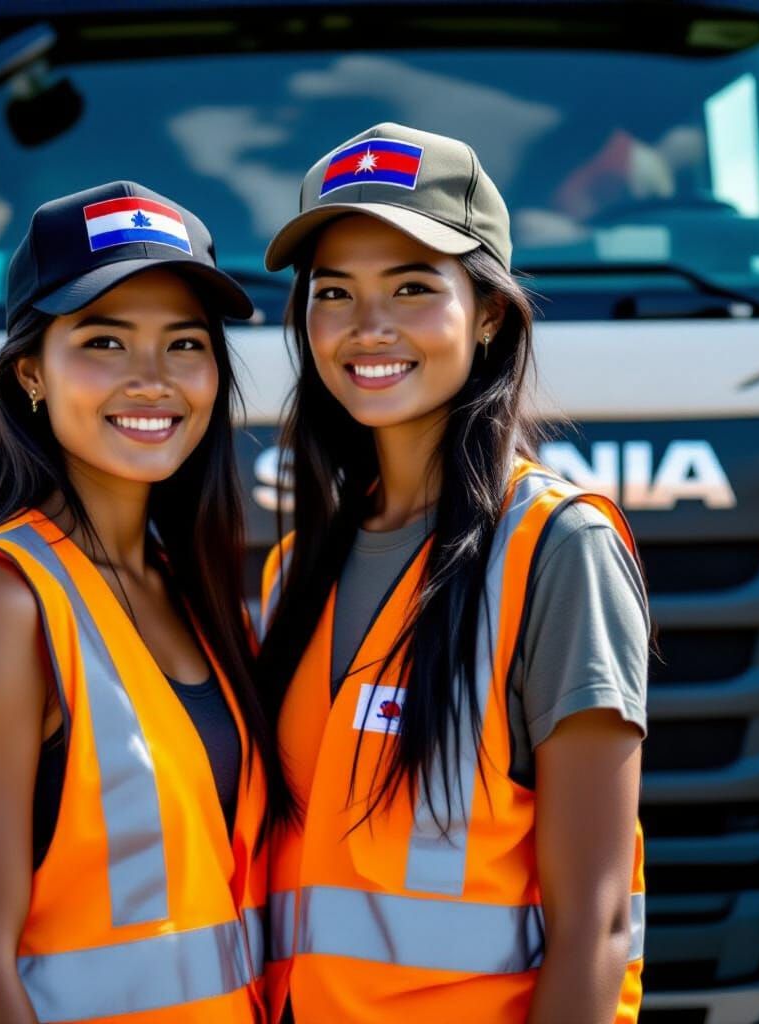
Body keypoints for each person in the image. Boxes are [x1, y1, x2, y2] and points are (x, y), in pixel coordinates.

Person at [258, 125, 648, 1024]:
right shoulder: (294, 573)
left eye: (411, 287)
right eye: (334, 292)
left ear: (489, 314)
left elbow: (596, 926)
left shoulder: (558, 548)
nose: (369, 326)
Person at [0, 182, 272, 1024]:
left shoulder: (194, 593)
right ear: (32, 371)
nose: (152, 379)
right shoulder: (3, 607)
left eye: (185, 344)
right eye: (104, 341)